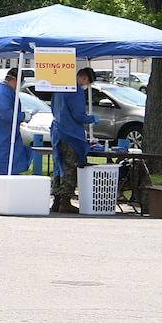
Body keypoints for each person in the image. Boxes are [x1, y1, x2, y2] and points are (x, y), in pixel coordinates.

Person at [50, 66, 100, 214]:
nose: (86, 87)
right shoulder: (76, 90)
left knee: (59, 166)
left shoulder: (60, 88)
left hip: (57, 131)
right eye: (87, 83)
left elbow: (53, 108)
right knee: (70, 166)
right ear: (84, 78)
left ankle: (57, 200)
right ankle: (65, 201)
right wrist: (91, 119)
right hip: (71, 134)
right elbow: (78, 115)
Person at [0, 67, 35, 181]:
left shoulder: (7, 91)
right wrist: (23, 116)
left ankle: (8, 195)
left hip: (8, 136)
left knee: (12, 169)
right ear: (16, 81)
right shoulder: (0, 92)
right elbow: (6, 115)